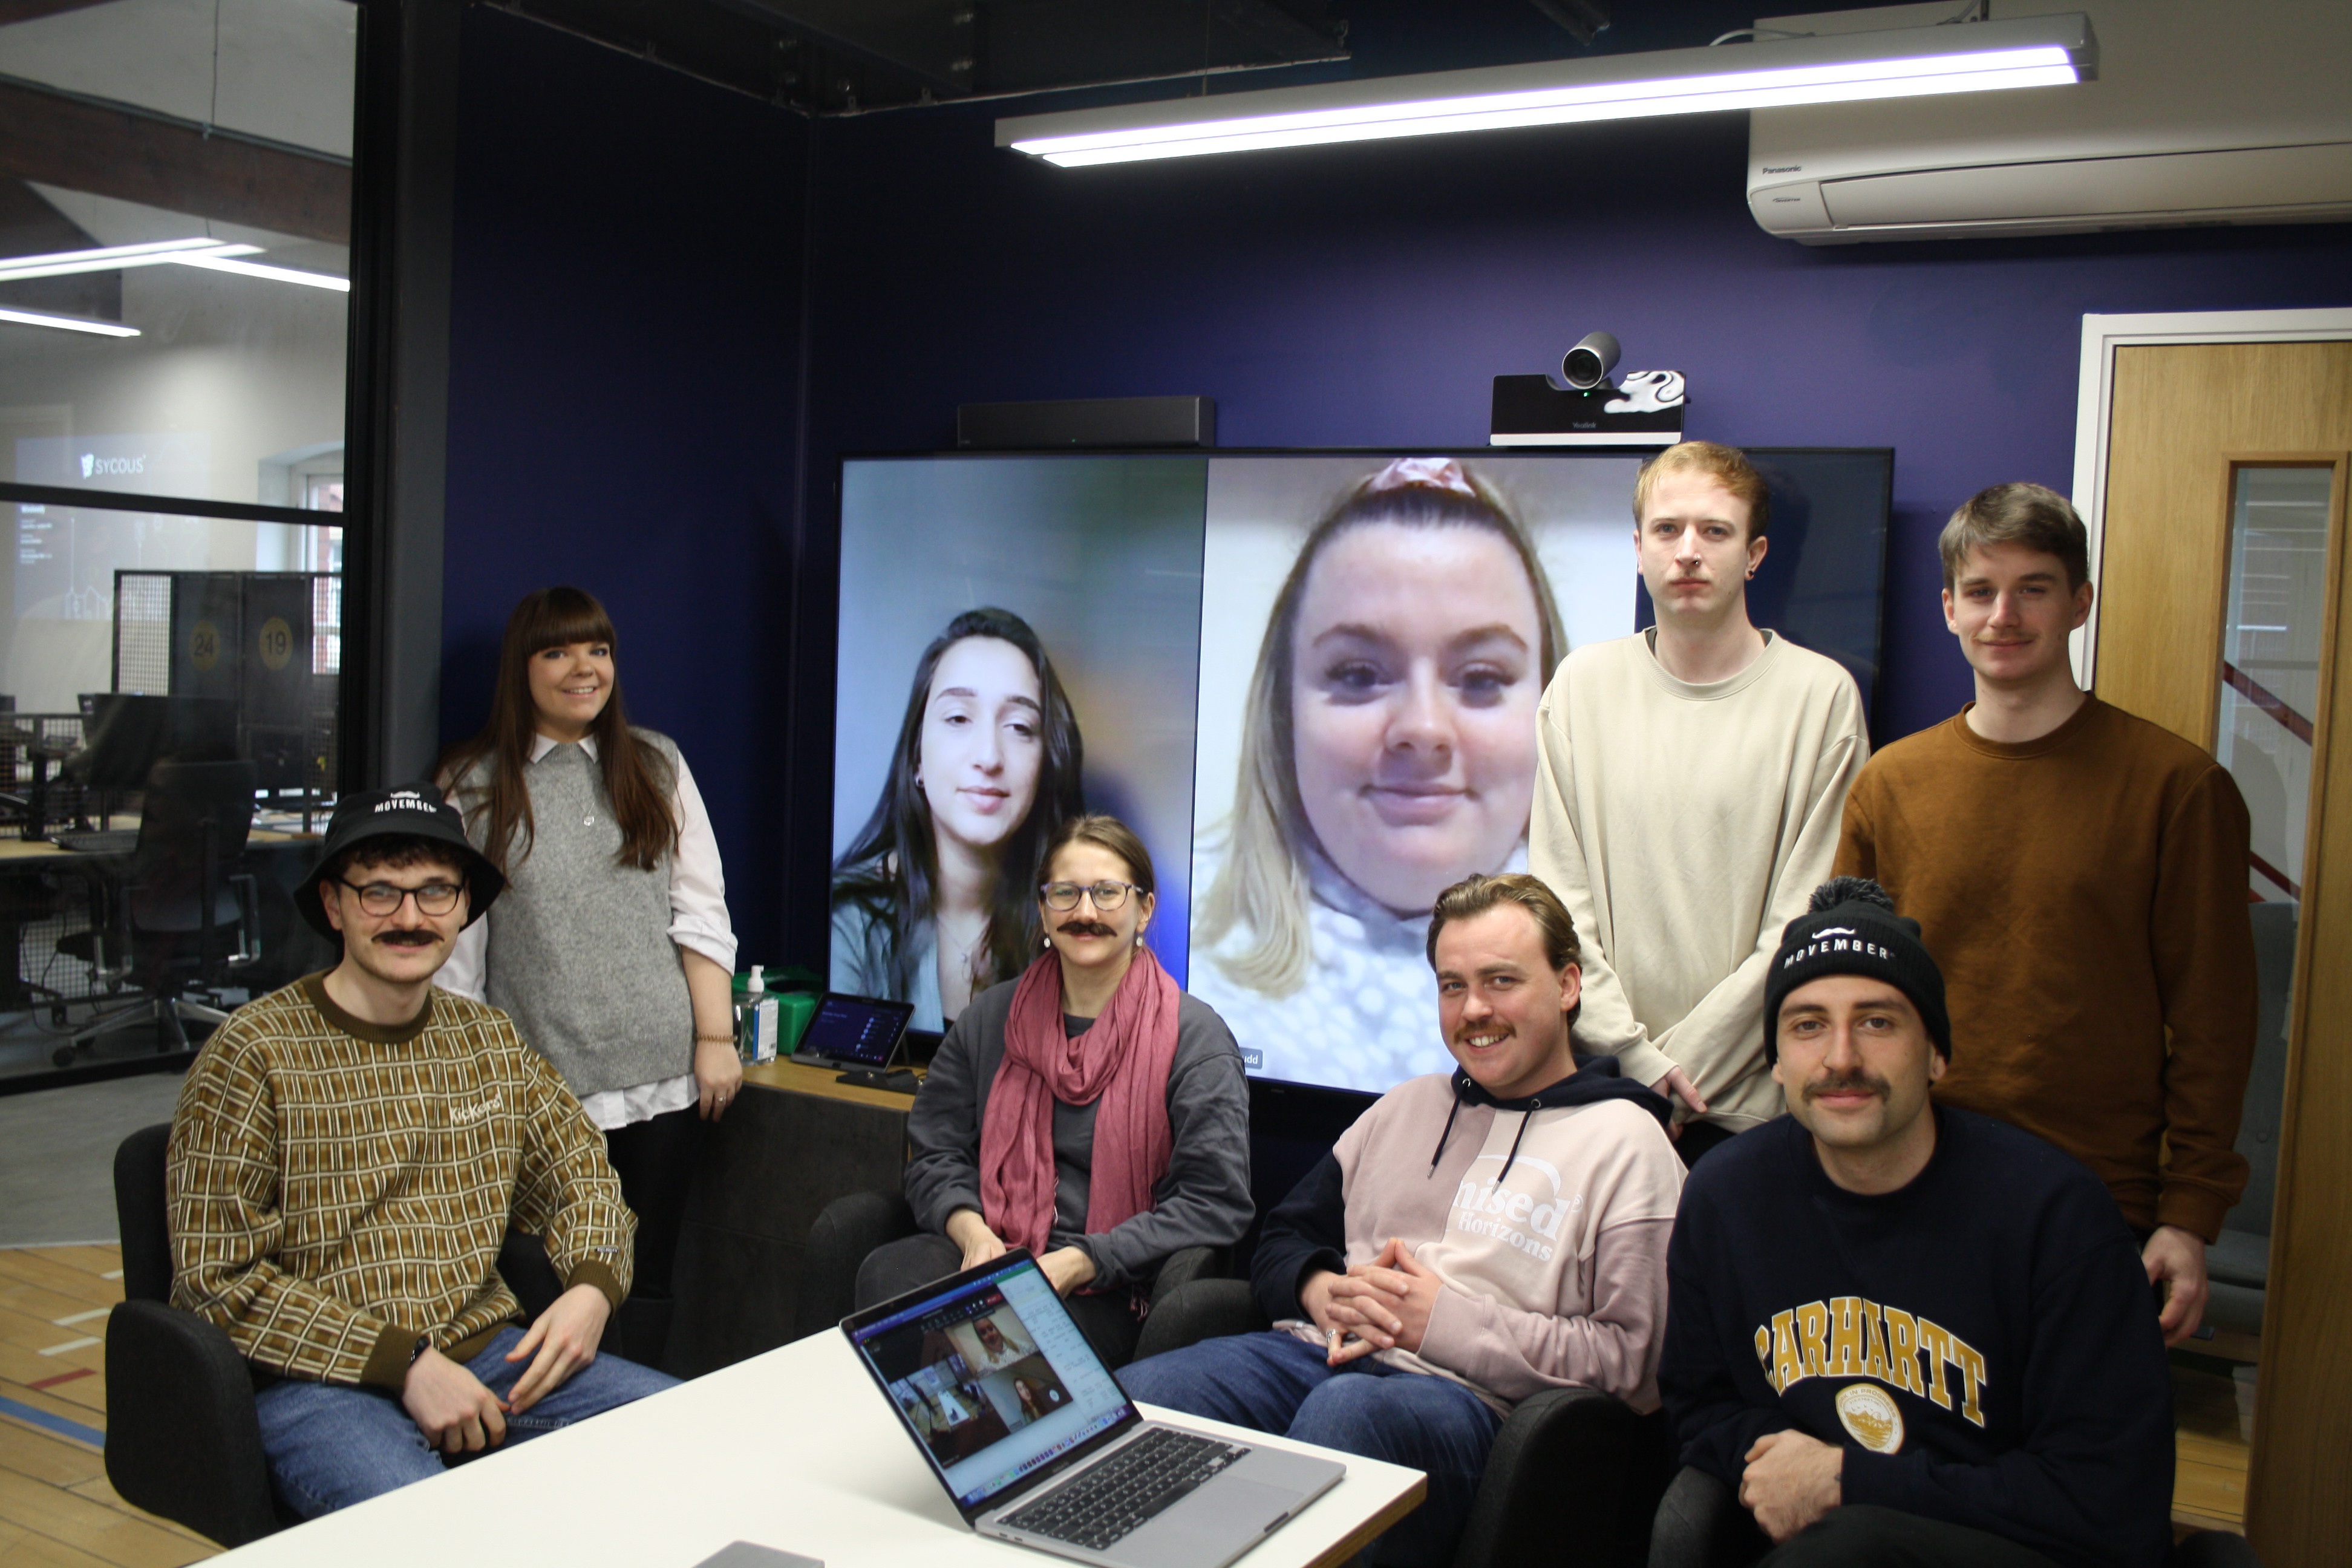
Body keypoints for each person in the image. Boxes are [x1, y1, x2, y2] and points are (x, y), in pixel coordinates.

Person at [1121, 872, 1684, 1567]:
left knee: (1347, 1419)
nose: (1474, 1008)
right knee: (1145, 1400)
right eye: (1452, 986)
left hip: (1477, 1407)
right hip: (1316, 1353)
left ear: (1568, 986)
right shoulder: (1406, 1106)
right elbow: (1283, 1239)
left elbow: (1636, 1367)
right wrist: (1320, 1290)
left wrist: (1441, 1323)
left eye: (1501, 981)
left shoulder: (1628, 1142)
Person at [166, 786, 675, 1518]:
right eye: (380, 892)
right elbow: (216, 1281)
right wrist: (401, 1364)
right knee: (436, 1536)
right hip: (322, 1386)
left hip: (494, 1362)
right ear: (334, 906)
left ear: (464, 906)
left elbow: (581, 1183)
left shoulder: (490, 1042)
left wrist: (591, 1291)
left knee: (690, 1437)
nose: (410, 917)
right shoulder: (251, 1055)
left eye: (435, 891)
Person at [1834, 483, 2255, 1345]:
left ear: (2080, 602)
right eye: (1982, 592)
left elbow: (2215, 1021)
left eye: (2035, 588)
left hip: (2096, 1199)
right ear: (1948, 608)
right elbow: (1849, 990)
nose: (2005, 615)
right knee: (1902, 1461)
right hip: (1908, 1177)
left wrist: (2190, 1213)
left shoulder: (2177, 788)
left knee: (2077, 1470)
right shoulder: (1891, 783)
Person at [1659, 878, 2174, 1568]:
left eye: (1878, 1021)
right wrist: (1782, 1467)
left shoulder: (2057, 1218)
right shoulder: (1725, 1197)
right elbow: (1700, 1408)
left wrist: (1850, 1484)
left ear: (1937, 1053)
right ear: (1776, 1062)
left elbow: (2111, 1500)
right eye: (1808, 1025)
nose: (1841, 1058)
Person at [1531, 440, 1867, 1164]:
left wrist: (1677, 1075)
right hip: (1598, 1095)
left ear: (1755, 553)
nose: (1688, 552)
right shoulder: (1581, 687)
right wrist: (1633, 1060)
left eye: (1714, 531)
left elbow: (1803, 922)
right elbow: (1558, 906)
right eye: (1667, 530)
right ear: (1638, 548)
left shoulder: (1820, 698)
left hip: (1749, 1114)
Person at [1192, 457, 1570, 1092]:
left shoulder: (1624, 972)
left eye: (1481, 679)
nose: (1422, 729)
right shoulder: (1164, 944)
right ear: (1283, 711)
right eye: (1359, 675)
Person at [437, 586, 740, 1367]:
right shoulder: (474, 785)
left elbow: (701, 911)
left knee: (648, 1278)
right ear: (523, 668)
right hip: (544, 1090)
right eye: (559, 651)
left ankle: (639, 1437)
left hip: (665, 1079)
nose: (584, 668)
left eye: (598, 650)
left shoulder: (656, 762)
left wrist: (715, 1036)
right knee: (554, 1285)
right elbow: (458, 963)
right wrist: (476, 1083)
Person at [857, 814, 1252, 1367]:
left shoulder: (1196, 1040)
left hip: (1110, 1285)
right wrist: (973, 1234)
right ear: (1043, 910)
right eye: (1065, 894)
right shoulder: (990, 1018)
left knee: (1014, 1334)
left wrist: (1082, 1260)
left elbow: (1214, 1203)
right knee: (890, 1275)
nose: (1085, 912)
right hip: (993, 1250)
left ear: (1145, 909)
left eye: (1108, 893)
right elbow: (934, 1155)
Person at [832, 606, 1088, 1030]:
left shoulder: (1080, 921)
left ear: (1046, 762)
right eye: (958, 718)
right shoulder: (850, 920)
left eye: (1020, 727)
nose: (988, 757)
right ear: (916, 756)